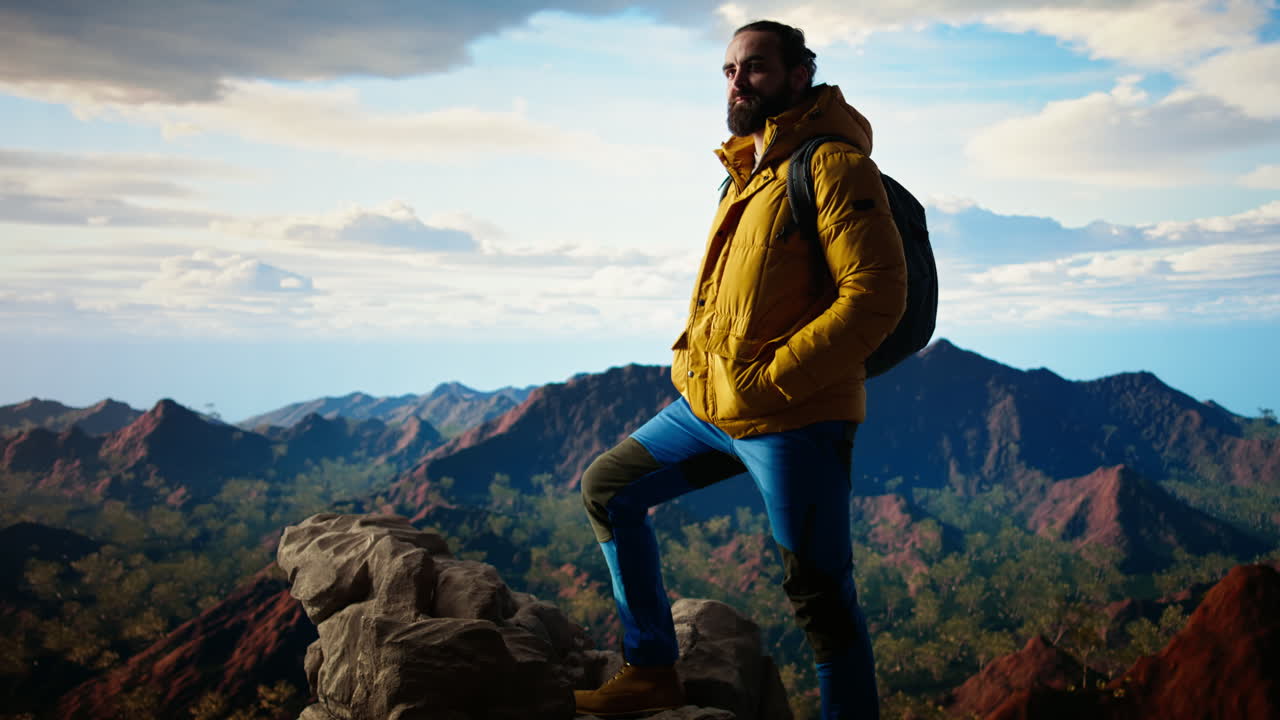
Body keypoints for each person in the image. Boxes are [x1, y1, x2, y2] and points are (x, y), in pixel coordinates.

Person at [575, 19, 907, 720]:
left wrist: (772, 380)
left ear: (798, 74)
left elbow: (876, 296)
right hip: (711, 408)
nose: (736, 82)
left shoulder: (833, 166)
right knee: (608, 488)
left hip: (795, 420)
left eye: (753, 67)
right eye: (728, 70)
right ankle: (651, 671)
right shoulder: (745, 172)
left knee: (822, 602)